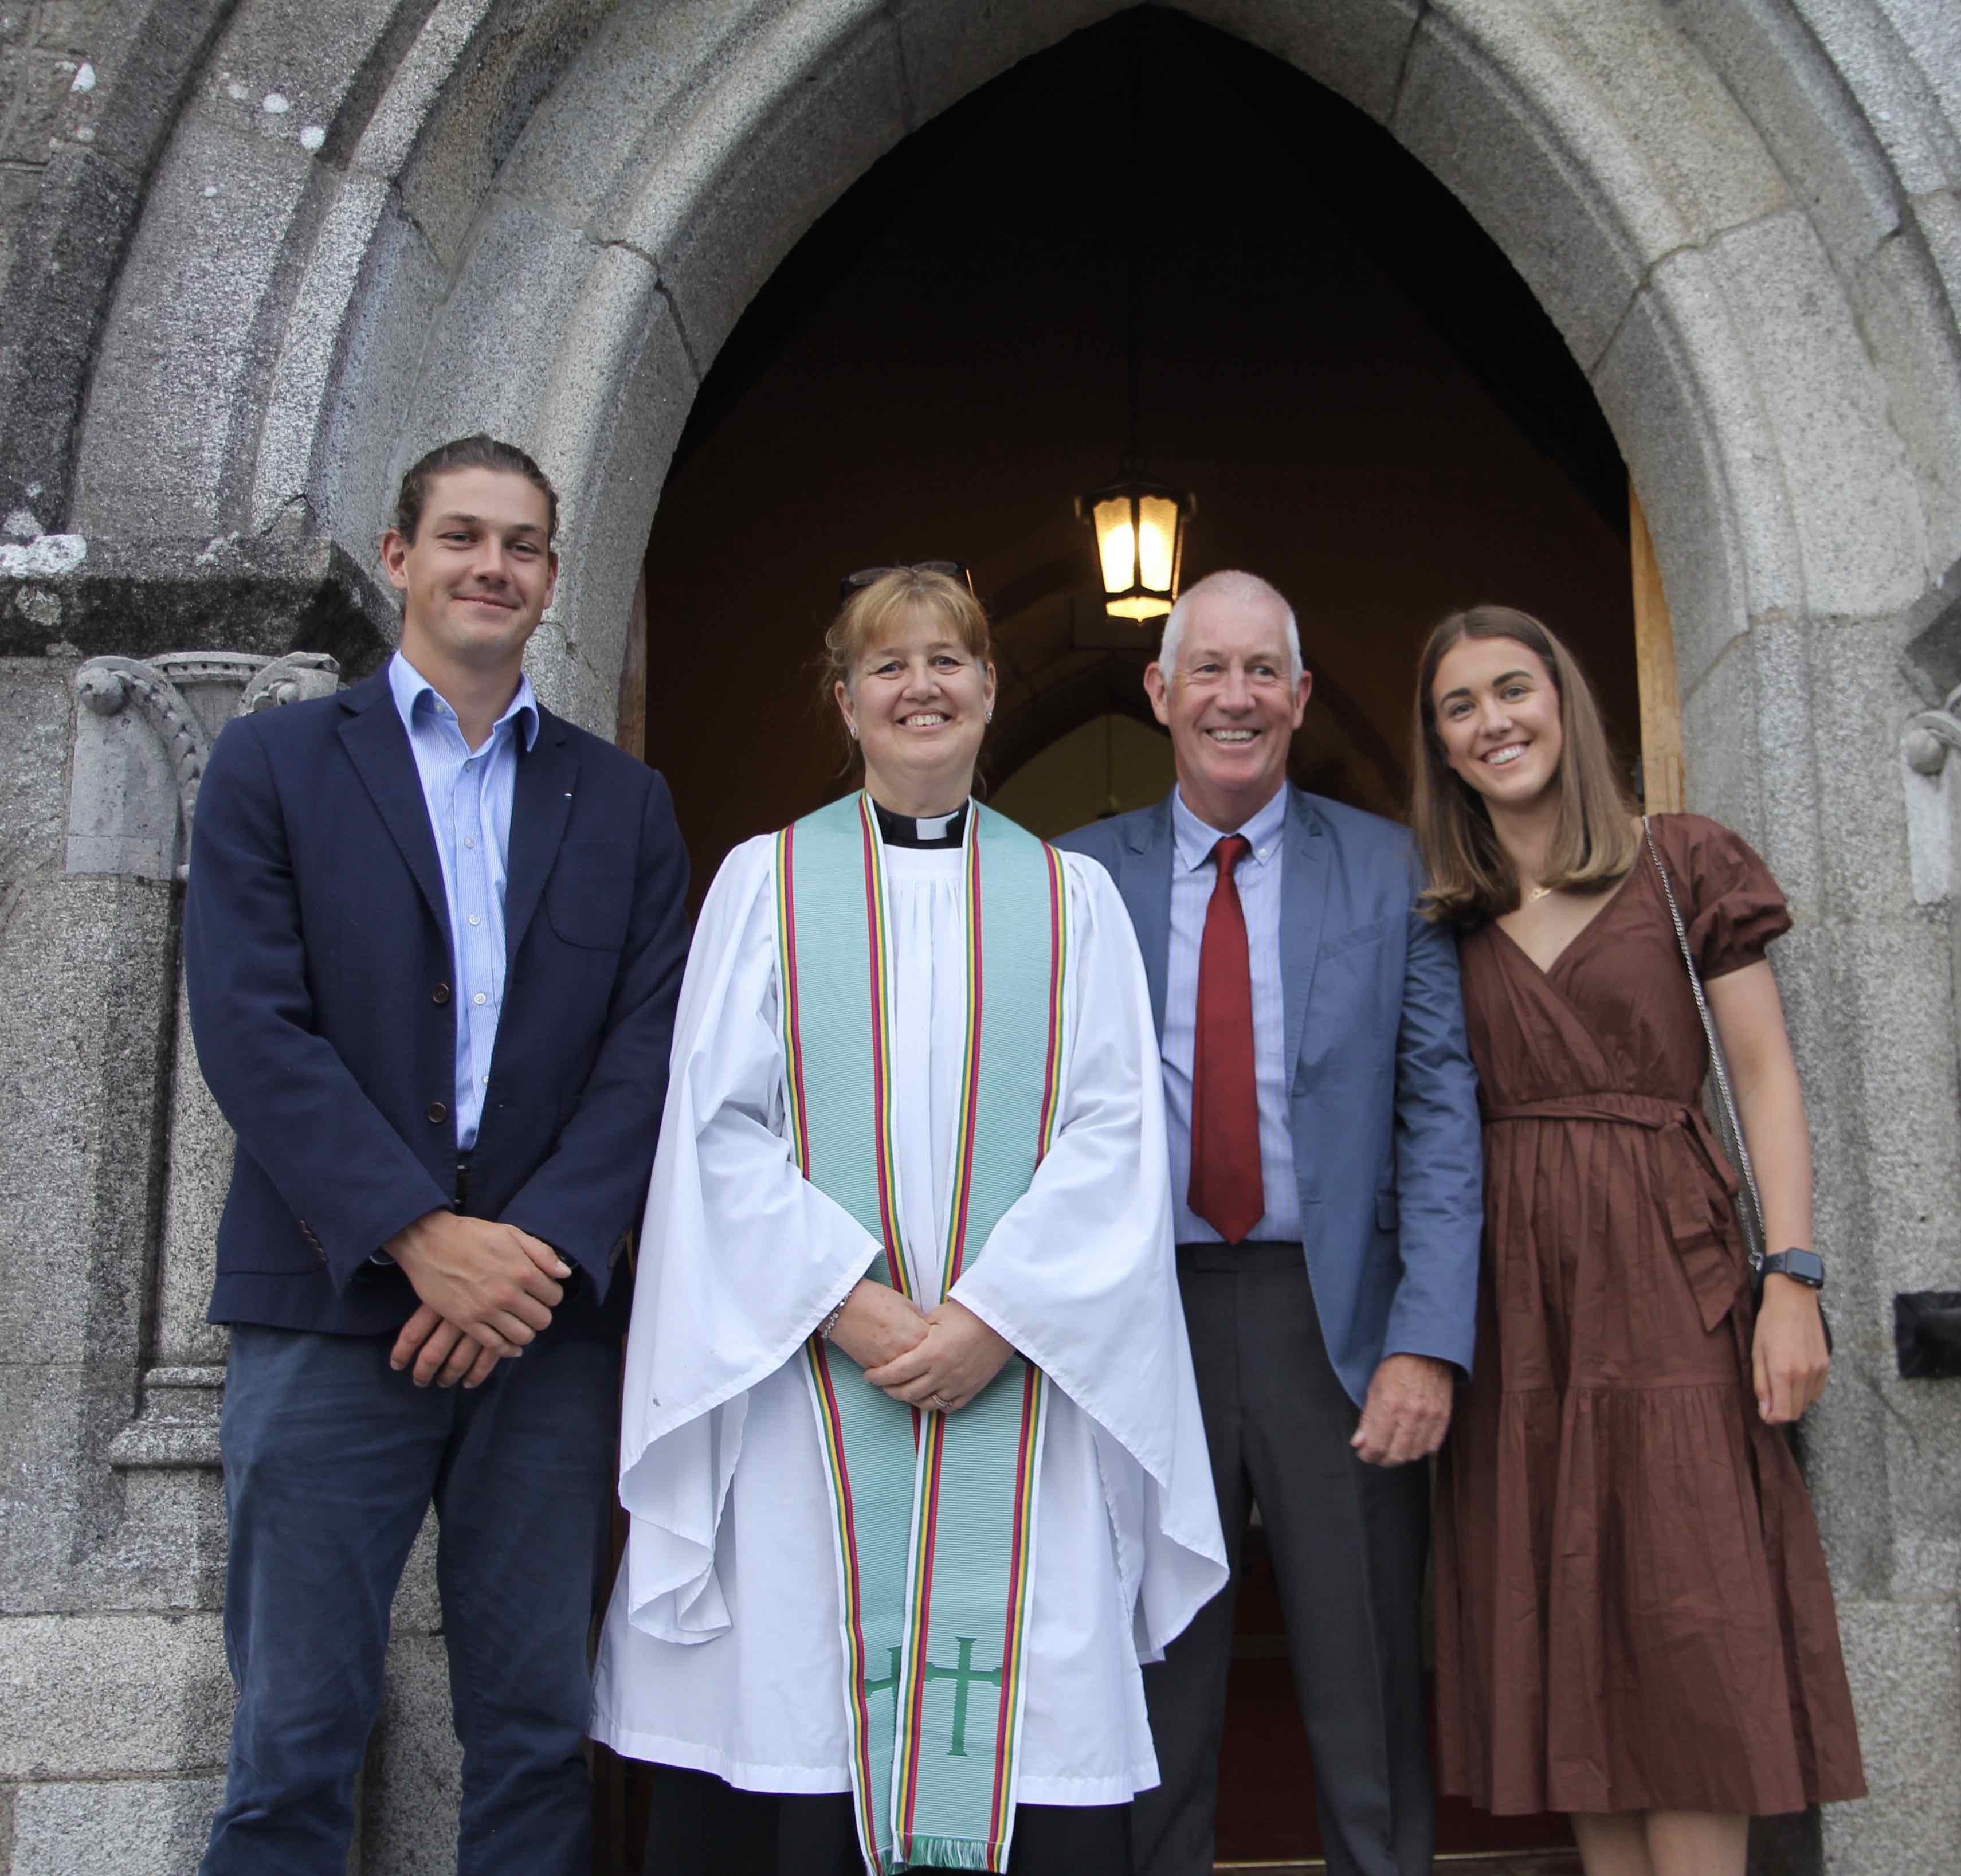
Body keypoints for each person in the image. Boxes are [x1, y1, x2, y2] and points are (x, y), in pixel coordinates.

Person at [591, 564, 1226, 1876]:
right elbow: (714, 1129)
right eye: (888, 665)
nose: (921, 685)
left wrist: (992, 1316)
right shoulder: (763, 885)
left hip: (1019, 1383)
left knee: (1025, 1717)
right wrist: (852, 1303)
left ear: (992, 690)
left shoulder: (1071, 901)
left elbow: (1116, 1135)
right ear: (845, 701)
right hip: (811, 1381)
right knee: (805, 1726)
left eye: (948, 660)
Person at [185, 434, 692, 1873]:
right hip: (330, 1300)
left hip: (541, 1323)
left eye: (523, 544)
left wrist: (520, 1260)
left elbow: (645, 1051)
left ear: (550, 579)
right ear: (400, 557)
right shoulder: (274, 763)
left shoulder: (624, 803)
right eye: (463, 536)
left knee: (536, 1729)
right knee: (295, 1731)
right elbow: (249, 1026)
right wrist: (422, 1236)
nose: (493, 565)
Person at [1415, 604, 1865, 1876]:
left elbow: (1766, 1078)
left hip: (1675, 1278)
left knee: (1688, 1609)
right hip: (1514, 1300)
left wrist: (1795, 1277)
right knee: (1565, 1634)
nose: (1495, 720)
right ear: (1440, 745)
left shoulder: (1680, 862)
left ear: (1567, 702)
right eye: (1462, 705)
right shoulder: (1442, 909)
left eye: (1516, 688)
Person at [1058, 569, 1484, 1876]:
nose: (1234, 696)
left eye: (1262, 672)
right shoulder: (1073, 877)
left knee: (1362, 1670)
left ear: (1299, 698)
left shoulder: (1389, 863)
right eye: (1209, 669)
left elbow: (1440, 1114)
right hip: (1143, 1316)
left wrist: (1427, 1340)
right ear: (1161, 690)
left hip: (1335, 1315)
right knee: (1154, 1667)